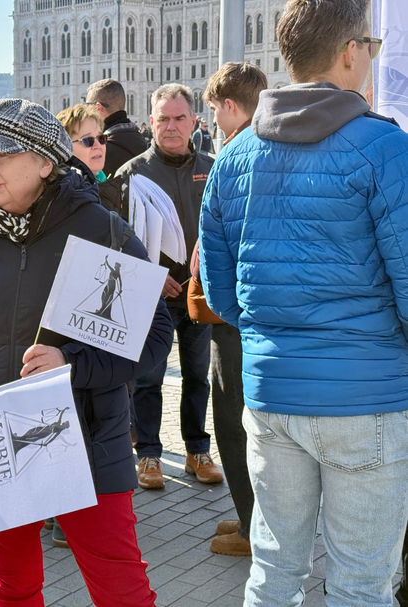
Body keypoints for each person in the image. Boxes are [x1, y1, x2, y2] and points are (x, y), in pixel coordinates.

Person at [0, 98, 173, 606]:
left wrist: (72, 367)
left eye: (0, 154)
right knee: (12, 588)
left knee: (121, 592)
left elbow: (153, 337)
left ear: (43, 162)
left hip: (88, 441)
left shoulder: (102, 231)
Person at [199, 0, 408, 603]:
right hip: (366, 397)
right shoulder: (383, 147)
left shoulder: (234, 156)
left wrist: (275, 336)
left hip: (272, 394)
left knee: (274, 569)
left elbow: (221, 292)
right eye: (370, 45)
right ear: (350, 52)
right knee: (361, 582)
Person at [117, 84, 223, 490]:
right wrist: (151, 273)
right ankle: (148, 455)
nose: (172, 126)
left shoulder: (213, 167)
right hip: (151, 295)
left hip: (198, 294)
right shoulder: (133, 173)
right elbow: (118, 238)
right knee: (148, 379)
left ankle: (197, 451)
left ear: (195, 121)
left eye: (180, 118)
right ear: (151, 122)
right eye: (163, 118)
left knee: (198, 377)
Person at [189, 61, 268, 559]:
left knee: (233, 419)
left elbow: (216, 252)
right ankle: (251, 516)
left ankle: (252, 526)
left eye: (215, 109)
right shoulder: (282, 146)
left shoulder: (235, 154)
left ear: (231, 106)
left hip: (236, 317)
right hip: (271, 316)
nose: (213, 119)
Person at [57, 103, 126, 217]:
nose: (98, 145)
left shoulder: (104, 183)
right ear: (65, 148)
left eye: (101, 138)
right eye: (88, 140)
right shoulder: (67, 198)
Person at [86, 79, 148, 177]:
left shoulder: (100, 152)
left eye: (87, 106)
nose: (86, 111)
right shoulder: (145, 145)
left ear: (98, 108)